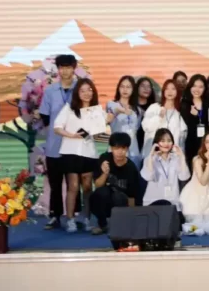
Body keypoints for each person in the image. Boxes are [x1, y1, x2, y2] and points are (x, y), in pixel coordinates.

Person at [53, 78, 112, 233]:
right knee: (73, 187)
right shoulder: (69, 108)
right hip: (70, 152)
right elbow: (57, 127)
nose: (86, 93)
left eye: (89, 90)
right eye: (83, 90)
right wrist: (72, 135)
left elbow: (101, 134)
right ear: (77, 93)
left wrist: (108, 121)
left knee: (87, 187)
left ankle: (86, 219)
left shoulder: (97, 111)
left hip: (89, 153)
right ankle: (70, 219)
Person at [38, 54, 78, 230]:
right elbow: (45, 116)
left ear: (74, 68)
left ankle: (74, 216)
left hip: (75, 145)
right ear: (58, 69)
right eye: (62, 67)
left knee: (73, 183)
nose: (65, 71)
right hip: (54, 144)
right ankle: (55, 216)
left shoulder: (81, 89)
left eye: (68, 67)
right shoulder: (50, 91)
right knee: (55, 183)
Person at [90, 132, 141, 235]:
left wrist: (132, 221)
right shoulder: (104, 159)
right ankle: (102, 225)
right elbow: (98, 185)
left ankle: (120, 225)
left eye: (123, 148)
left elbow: (132, 197)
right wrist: (105, 173)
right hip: (105, 201)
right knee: (99, 194)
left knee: (118, 196)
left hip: (122, 203)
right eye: (116, 148)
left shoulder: (131, 168)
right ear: (111, 148)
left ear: (127, 149)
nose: (120, 152)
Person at [141, 128, 191, 219]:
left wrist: (182, 157)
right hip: (153, 202)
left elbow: (184, 177)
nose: (166, 144)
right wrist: (151, 156)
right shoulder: (150, 159)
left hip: (173, 203)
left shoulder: (176, 159)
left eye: (169, 141)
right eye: (162, 141)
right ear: (156, 143)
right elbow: (148, 176)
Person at [141, 79, 188, 159]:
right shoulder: (154, 107)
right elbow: (146, 127)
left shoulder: (178, 113)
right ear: (163, 91)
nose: (170, 91)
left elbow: (181, 139)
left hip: (172, 157)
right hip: (153, 155)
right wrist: (159, 117)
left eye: (173, 89)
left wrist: (181, 157)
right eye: (167, 89)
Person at [107, 75, 141, 167]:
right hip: (116, 148)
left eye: (128, 87)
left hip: (133, 150)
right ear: (118, 88)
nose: (125, 90)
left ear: (133, 89)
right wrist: (120, 111)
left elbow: (136, 129)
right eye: (122, 86)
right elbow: (110, 118)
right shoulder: (111, 104)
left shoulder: (137, 109)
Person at [180, 74, 209, 171]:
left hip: (206, 143)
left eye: (201, 87)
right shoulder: (185, 103)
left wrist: (198, 115)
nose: (197, 89)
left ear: (205, 88)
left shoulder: (208, 103)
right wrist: (193, 116)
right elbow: (185, 125)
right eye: (194, 86)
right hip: (191, 142)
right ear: (190, 87)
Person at [133, 77, 156, 161]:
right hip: (133, 144)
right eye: (143, 86)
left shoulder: (154, 107)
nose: (146, 89)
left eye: (148, 86)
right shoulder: (131, 107)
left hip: (148, 145)